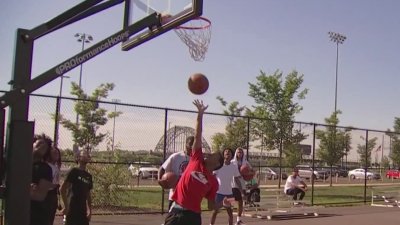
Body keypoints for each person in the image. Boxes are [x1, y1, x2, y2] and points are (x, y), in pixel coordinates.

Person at [163, 99, 224, 225]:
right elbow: (198, 134)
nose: (209, 154)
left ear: (217, 164)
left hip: (193, 217)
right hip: (176, 210)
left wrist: (219, 206)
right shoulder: (197, 159)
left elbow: (211, 205)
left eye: (214, 155)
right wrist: (200, 114)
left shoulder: (213, 182)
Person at [158, 136, 194, 209]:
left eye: (194, 145)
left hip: (189, 196)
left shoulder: (196, 159)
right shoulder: (176, 156)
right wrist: (160, 180)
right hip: (175, 195)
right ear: (186, 144)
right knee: (172, 218)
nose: (192, 147)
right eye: (190, 144)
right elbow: (162, 168)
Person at [210, 148, 242, 225]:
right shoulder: (218, 165)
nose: (227, 152)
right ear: (223, 154)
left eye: (229, 152)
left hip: (229, 193)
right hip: (219, 193)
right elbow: (212, 177)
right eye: (226, 151)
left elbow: (237, 179)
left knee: (230, 213)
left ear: (232, 155)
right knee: (215, 211)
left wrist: (241, 190)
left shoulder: (233, 166)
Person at [60, 150, 93, 225]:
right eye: (83, 154)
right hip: (72, 208)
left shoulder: (88, 176)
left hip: (82, 210)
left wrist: (90, 211)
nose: (86, 155)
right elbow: (62, 189)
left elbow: (88, 194)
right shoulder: (73, 171)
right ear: (78, 158)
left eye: (87, 154)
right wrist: (66, 206)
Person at [31, 133, 54, 225]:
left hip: (37, 215)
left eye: (45, 146)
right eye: (39, 143)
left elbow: (39, 196)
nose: (42, 146)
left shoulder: (46, 169)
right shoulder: (20, 163)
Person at [231, 147, 251, 225]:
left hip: (242, 184)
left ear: (243, 154)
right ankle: (230, 219)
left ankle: (238, 220)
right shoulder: (232, 162)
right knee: (231, 202)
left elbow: (252, 171)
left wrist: (246, 174)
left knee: (240, 202)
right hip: (233, 184)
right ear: (236, 153)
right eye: (238, 152)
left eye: (241, 152)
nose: (239, 154)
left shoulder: (245, 163)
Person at [45, 146, 62, 225]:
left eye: (57, 153)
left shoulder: (56, 167)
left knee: (51, 217)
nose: (56, 154)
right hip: (47, 194)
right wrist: (54, 185)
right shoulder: (47, 166)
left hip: (53, 194)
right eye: (54, 152)